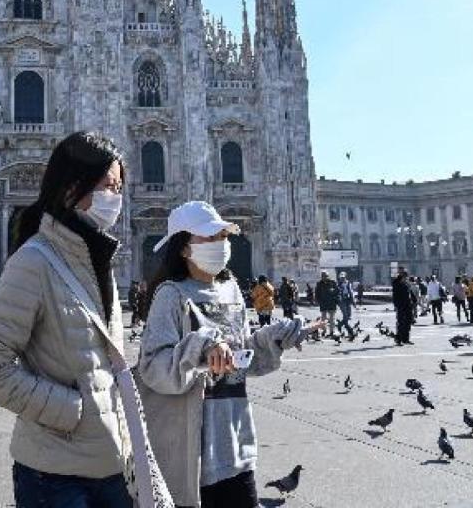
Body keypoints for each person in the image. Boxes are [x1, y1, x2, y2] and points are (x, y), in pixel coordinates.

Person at [0, 131, 136, 507]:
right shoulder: (32, 262)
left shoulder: (97, 262)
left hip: (110, 465)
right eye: (108, 186)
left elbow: (99, 366)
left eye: (119, 187)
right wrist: (72, 410)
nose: (116, 198)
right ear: (71, 188)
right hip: (54, 477)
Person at [136, 201, 322, 507]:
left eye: (223, 236)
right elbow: (153, 367)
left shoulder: (232, 290)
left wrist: (277, 337)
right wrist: (202, 346)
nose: (221, 244)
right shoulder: (171, 295)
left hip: (236, 443)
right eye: (210, 238)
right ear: (184, 248)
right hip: (193, 450)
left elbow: (241, 357)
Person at [392, 269, 416, 346]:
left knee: (408, 321)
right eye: (405, 277)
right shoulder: (397, 284)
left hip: (408, 305)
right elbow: (395, 296)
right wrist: (396, 305)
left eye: (406, 277)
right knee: (401, 322)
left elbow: (410, 292)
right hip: (400, 305)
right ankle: (398, 339)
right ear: (401, 276)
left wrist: (414, 299)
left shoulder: (406, 283)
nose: (406, 278)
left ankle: (406, 339)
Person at [314, 271, 340, 336]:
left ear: (328, 276)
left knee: (332, 319)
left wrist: (336, 299)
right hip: (323, 303)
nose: (324, 277)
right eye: (323, 276)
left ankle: (332, 331)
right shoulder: (319, 284)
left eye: (326, 276)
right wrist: (318, 300)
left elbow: (337, 292)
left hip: (332, 303)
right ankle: (324, 331)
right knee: (323, 319)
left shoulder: (333, 282)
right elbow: (317, 293)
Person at [337, 271, 356, 340]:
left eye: (343, 277)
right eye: (341, 278)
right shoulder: (338, 284)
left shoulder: (348, 283)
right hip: (342, 302)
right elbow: (337, 293)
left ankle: (339, 325)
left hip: (348, 300)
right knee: (345, 316)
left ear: (345, 277)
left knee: (348, 316)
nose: (342, 279)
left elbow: (351, 292)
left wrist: (353, 301)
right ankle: (350, 331)